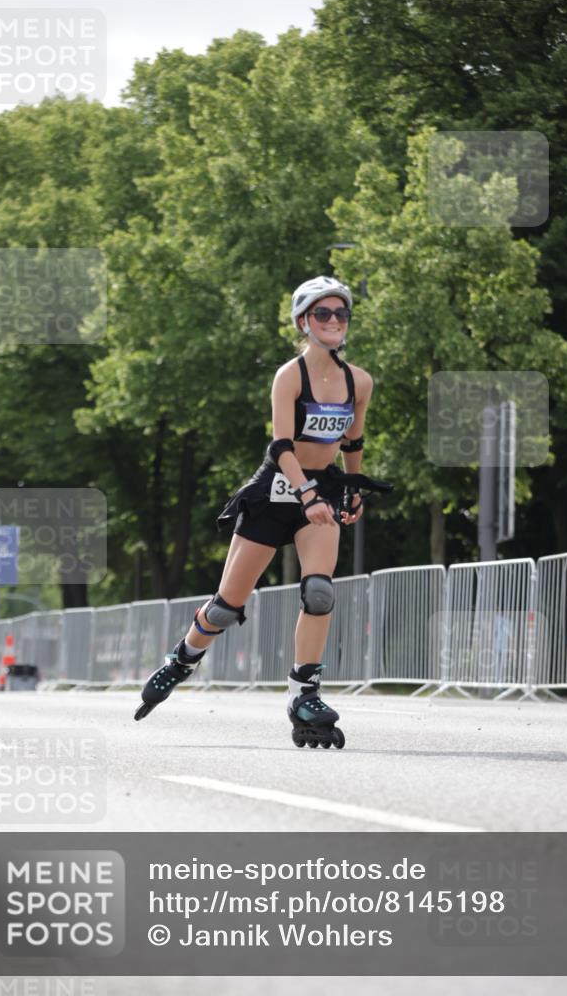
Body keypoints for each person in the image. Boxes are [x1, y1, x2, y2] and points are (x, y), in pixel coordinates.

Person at [134, 275, 392, 747]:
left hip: (323, 488)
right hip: (277, 489)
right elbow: (280, 446)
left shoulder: (360, 381)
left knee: (319, 593)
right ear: (303, 322)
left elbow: (353, 441)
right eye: (322, 313)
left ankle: (304, 691)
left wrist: (351, 488)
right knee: (227, 607)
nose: (333, 321)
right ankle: (183, 658)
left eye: (341, 313)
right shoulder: (290, 375)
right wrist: (306, 495)